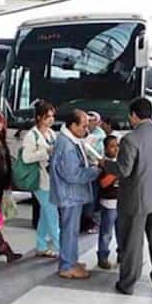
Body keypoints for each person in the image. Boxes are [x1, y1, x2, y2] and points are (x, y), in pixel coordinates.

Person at [101, 98, 152, 295]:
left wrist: (105, 163)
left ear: (133, 115)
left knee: (132, 243)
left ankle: (128, 283)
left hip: (136, 198)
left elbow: (123, 170)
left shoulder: (130, 139)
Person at [50, 109, 101, 279]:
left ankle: (71, 260)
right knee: (69, 230)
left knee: (71, 230)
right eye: (84, 126)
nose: (86, 130)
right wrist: (95, 171)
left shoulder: (71, 140)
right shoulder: (66, 145)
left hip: (72, 194)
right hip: (69, 194)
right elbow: (73, 175)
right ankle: (67, 266)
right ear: (72, 125)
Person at [22, 101, 59, 258]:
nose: (51, 119)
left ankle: (41, 245)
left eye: (52, 116)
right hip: (40, 181)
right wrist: (46, 152)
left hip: (51, 179)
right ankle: (63, 250)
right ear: (39, 117)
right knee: (53, 216)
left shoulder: (51, 133)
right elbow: (26, 158)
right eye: (47, 116)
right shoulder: (31, 135)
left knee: (46, 214)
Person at [97, 135, 119, 269]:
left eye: (117, 146)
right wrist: (116, 173)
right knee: (106, 233)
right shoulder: (103, 164)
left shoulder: (121, 161)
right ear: (105, 149)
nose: (116, 149)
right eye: (112, 146)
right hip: (109, 203)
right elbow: (103, 183)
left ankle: (122, 254)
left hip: (122, 202)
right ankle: (103, 257)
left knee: (122, 232)